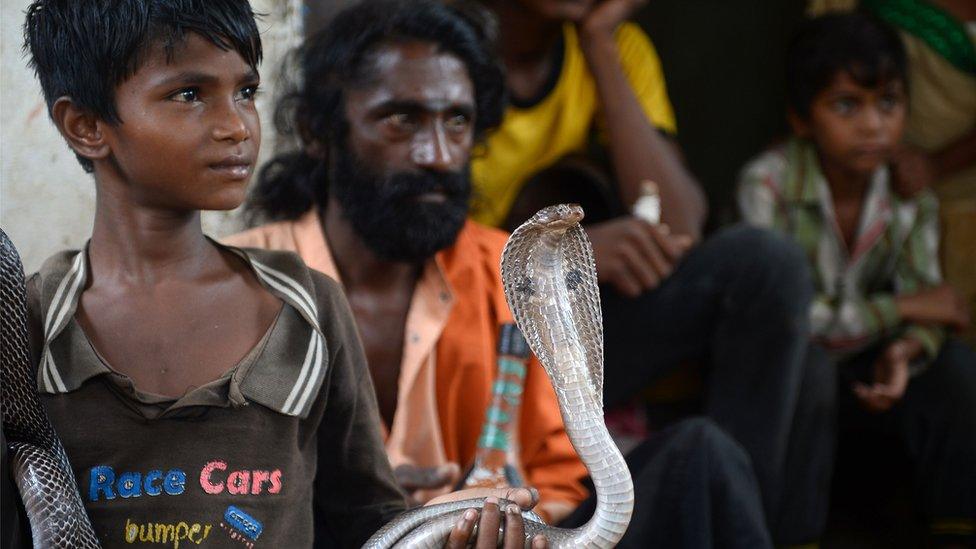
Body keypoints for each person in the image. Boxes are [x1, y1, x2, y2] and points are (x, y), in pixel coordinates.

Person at [229, 1, 773, 547]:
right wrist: (364, 499)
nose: (438, 154)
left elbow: (555, 472)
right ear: (318, 132)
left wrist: (506, 520)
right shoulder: (241, 282)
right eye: (402, 119)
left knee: (700, 455)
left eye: (457, 121)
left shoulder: (503, 271)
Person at [16, 1, 541, 547]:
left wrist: (440, 528)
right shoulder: (32, 322)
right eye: (189, 94)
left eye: (245, 92)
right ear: (85, 126)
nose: (236, 126)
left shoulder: (307, 307)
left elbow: (362, 520)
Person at [468, 1, 830, 543]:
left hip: (570, 321)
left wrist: (599, 44)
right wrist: (583, 249)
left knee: (766, 267)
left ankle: (745, 524)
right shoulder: (449, 57)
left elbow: (682, 223)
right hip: (480, 333)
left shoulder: (618, 47)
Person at [738, 13, 976, 545]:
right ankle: (797, 537)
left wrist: (908, 348)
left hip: (871, 371)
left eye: (888, 104)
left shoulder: (908, 189)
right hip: (792, 377)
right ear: (802, 119)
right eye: (847, 105)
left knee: (956, 370)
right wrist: (903, 311)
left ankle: (958, 527)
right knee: (812, 368)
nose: (873, 125)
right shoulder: (768, 183)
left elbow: (934, 303)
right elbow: (792, 323)